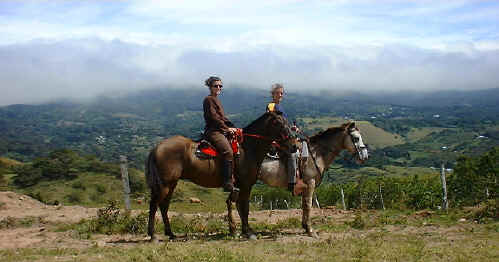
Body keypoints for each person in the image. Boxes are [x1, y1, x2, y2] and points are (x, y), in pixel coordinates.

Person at [203, 76, 239, 193]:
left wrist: (233, 126)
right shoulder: (208, 100)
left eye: (220, 86)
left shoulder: (216, 99)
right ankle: (227, 182)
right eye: (216, 86)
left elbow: (222, 118)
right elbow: (214, 118)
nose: (218, 87)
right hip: (214, 131)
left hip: (220, 130)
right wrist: (227, 129)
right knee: (228, 152)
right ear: (210, 87)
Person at [266, 83, 299, 193]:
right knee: (292, 154)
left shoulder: (281, 107)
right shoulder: (271, 106)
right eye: (278, 93)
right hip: (278, 139)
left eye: (281, 93)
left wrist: (292, 128)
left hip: (284, 136)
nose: (280, 95)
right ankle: (291, 182)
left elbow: (283, 125)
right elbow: (270, 123)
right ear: (272, 94)